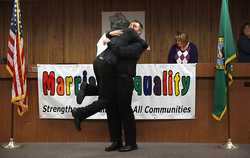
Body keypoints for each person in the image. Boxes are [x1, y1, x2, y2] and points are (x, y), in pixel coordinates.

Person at [72, 20, 148, 152]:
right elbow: (105, 40)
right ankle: (116, 141)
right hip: (114, 77)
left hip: (125, 80)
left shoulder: (138, 45)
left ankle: (131, 143)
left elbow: (123, 53)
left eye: (135, 26)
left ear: (140, 32)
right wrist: (109, 35)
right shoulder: (120, 39)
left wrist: (111, 44)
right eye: (130, 25)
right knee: (111, 110)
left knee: (125, 111)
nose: (131, 28)